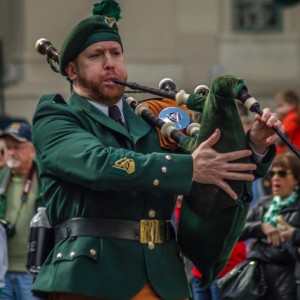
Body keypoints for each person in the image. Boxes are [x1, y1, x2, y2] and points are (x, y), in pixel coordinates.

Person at [31, 1, 281, 299]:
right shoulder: (57, 117)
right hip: (91, 276)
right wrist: (189, 168)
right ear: (71, 70)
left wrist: (253, 144)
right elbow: (97, 164)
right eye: (96, 55)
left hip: (163, 276)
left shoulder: (151, 118)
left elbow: (212, 165)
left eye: (116, 53)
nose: (110, 62)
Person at [239, 152, 300, 300]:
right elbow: (236, 232)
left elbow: (287, 252)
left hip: (288, 284)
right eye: (272, 173)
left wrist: (258, 248)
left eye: (282, 173)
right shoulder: (264, 204)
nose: (275, 178)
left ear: (297, 179)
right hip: (258, 282)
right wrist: (261, 228)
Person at [0, 122, 43, 300]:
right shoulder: (2, 176)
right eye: (8, 147)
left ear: (32, 150)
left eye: (17, 147)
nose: (11, 152)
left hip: (32, 273)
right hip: (2, 273)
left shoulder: (44, 178)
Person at [274, 90, 300, 155]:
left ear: (292, 104)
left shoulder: (291, 118)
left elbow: (284, 136)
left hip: (292, 154)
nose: (277, 110)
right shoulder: (296, 116)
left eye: (280, 106)